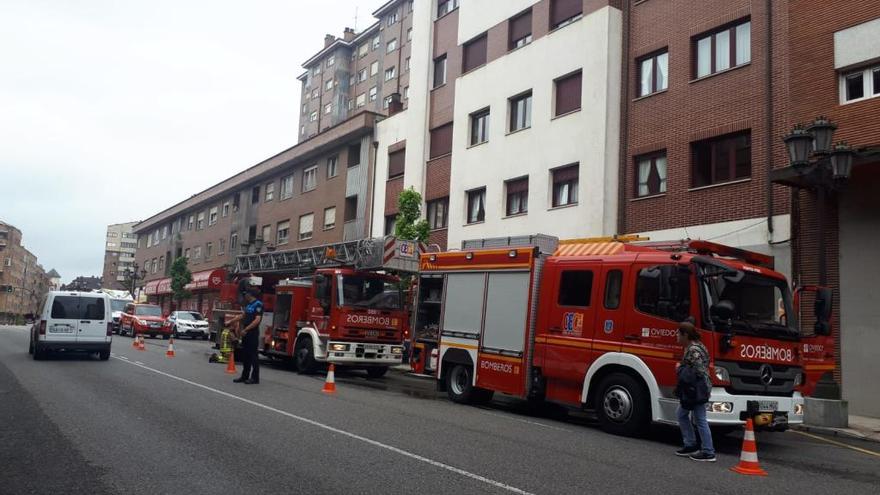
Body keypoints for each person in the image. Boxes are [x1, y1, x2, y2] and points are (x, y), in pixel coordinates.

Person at [674, 321, 715, 462]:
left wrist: (679, 368)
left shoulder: (693, 350)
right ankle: (691, 444)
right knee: (682, 414)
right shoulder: (698, 346)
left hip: (696, 390)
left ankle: (708, 451)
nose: (676, 337)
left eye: (678, 334)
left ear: (685, 335)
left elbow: (698, 370)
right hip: (698, 389)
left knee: (700, 419)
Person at [231, 287, 263, 384]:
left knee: (253, 356)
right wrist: (231, 321)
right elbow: (243, 315)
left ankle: (255, 378)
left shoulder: (258, 304)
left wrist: (246, 329)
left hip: (252, 333)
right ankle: (245, 376)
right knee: (246, 355)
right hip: (245, 333)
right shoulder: (249, 304)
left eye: (246, 294)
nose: (244, 295)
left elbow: (257, 320)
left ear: (250, 294)